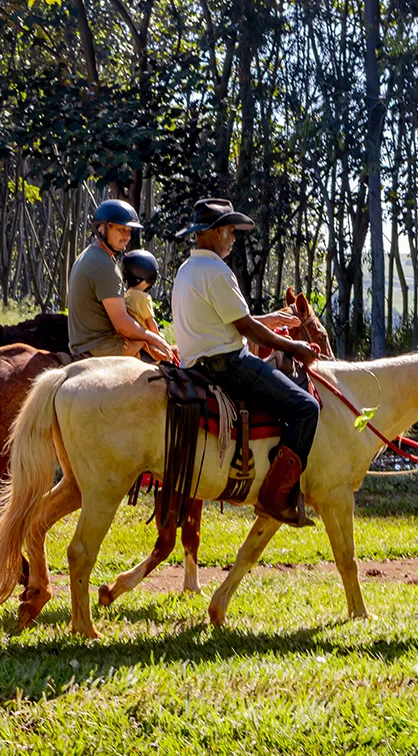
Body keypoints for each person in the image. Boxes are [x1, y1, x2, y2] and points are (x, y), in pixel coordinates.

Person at [172, 197, 320, 527]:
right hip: (228, 365)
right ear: (215, 232)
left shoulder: (187, 269)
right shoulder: (216, 271)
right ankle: (275, 496)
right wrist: (294, 347)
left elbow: (230, 319)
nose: (233, 239)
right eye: (230, 232)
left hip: (194, 365)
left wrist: (268, 321)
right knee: (306, 407)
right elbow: (244, 327)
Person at [67, 200, 176, 363]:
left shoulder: (89, 255)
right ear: (102, 228)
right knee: (163, 367)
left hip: (84, 344)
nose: (127, 236)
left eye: (129, 231)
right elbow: (122, 324)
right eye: (121, 229)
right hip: (103, 348)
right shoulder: (104, 266)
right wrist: (155, 338)